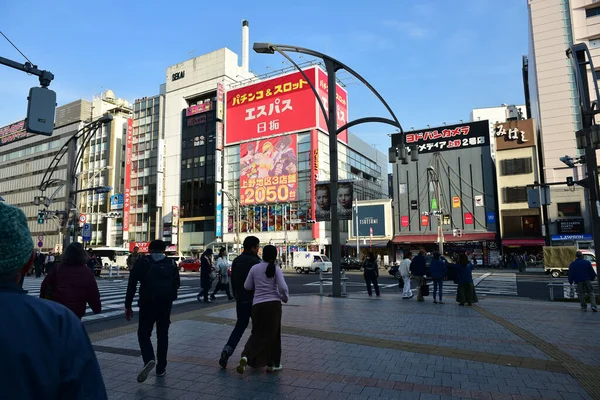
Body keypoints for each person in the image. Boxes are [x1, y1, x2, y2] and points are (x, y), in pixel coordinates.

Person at [0, 202, 107, 399]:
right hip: (69, 314)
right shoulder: (59, 324)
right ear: (28, 262)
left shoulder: (58, 269)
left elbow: (45, 286)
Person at [125, 240, 180, 382]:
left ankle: (149, 358)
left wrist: (128, 305)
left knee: (143, 334)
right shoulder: (171, 263)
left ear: (149, 249)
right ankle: (161, 368)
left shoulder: (143, 262)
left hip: (147, 303)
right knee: (163, 335)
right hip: (165, 305)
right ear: (164, 250)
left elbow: (132, 284)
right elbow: (177, 284)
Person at [236, 245, 289, 374]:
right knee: (274, 335)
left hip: (257, 306)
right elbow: (283, 288)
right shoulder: (276, 269)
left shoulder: (255, 268)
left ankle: (246, 355)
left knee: (257, 333)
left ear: (262, 254)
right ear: (275, 256)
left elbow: (247, 286)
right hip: (273, 306)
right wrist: (285, 298)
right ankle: (273, 364)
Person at [219, 236, 261, 368]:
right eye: (258, 246)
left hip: (241, 299)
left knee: (240, 326)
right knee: (257, 329)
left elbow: (234, 281)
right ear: (254, 247)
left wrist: (236, 295)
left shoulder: (236, 261)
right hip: (254, 300)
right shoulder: (256, 262)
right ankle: (250, 356)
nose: (258, 249)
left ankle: (228, 349)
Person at [40, 242, 102, 320]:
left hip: (56, 310)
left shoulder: (57, 268)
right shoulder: (87, 272)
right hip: (75, 314)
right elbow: (93, 293)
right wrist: (97, 308)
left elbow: (44, 287)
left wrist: (43, 302)